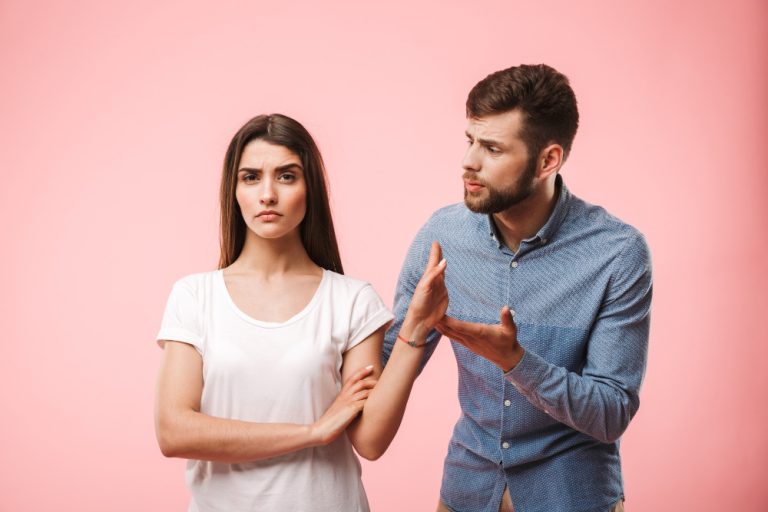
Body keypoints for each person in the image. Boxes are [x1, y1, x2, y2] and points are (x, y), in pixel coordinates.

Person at [382, 64, 652, 512]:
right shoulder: (442, 236)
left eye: (491, 148)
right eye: (470, 140)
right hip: (467, 492)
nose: (469, 161)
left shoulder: (617, 253)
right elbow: (389, 361)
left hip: (572, 497)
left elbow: (611, 413)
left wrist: (517, 362)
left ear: (548, 160)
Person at [154, 113, 448, 512]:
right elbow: (174, 432)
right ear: (234, 190)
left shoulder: (352, 300)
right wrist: (312, 432)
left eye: (287, 176)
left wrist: (416, 328)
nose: (268, 194)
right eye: (251, 177)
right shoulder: (194, 296)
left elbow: (370, 442)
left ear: (310, 188)